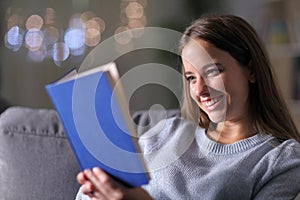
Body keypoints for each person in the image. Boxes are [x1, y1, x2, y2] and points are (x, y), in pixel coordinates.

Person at [75, 14, 300, 199]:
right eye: (191, 77)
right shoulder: (165, 132)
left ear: (251, 70)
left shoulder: (281, 160)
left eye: (212, 71)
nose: (199, 90)